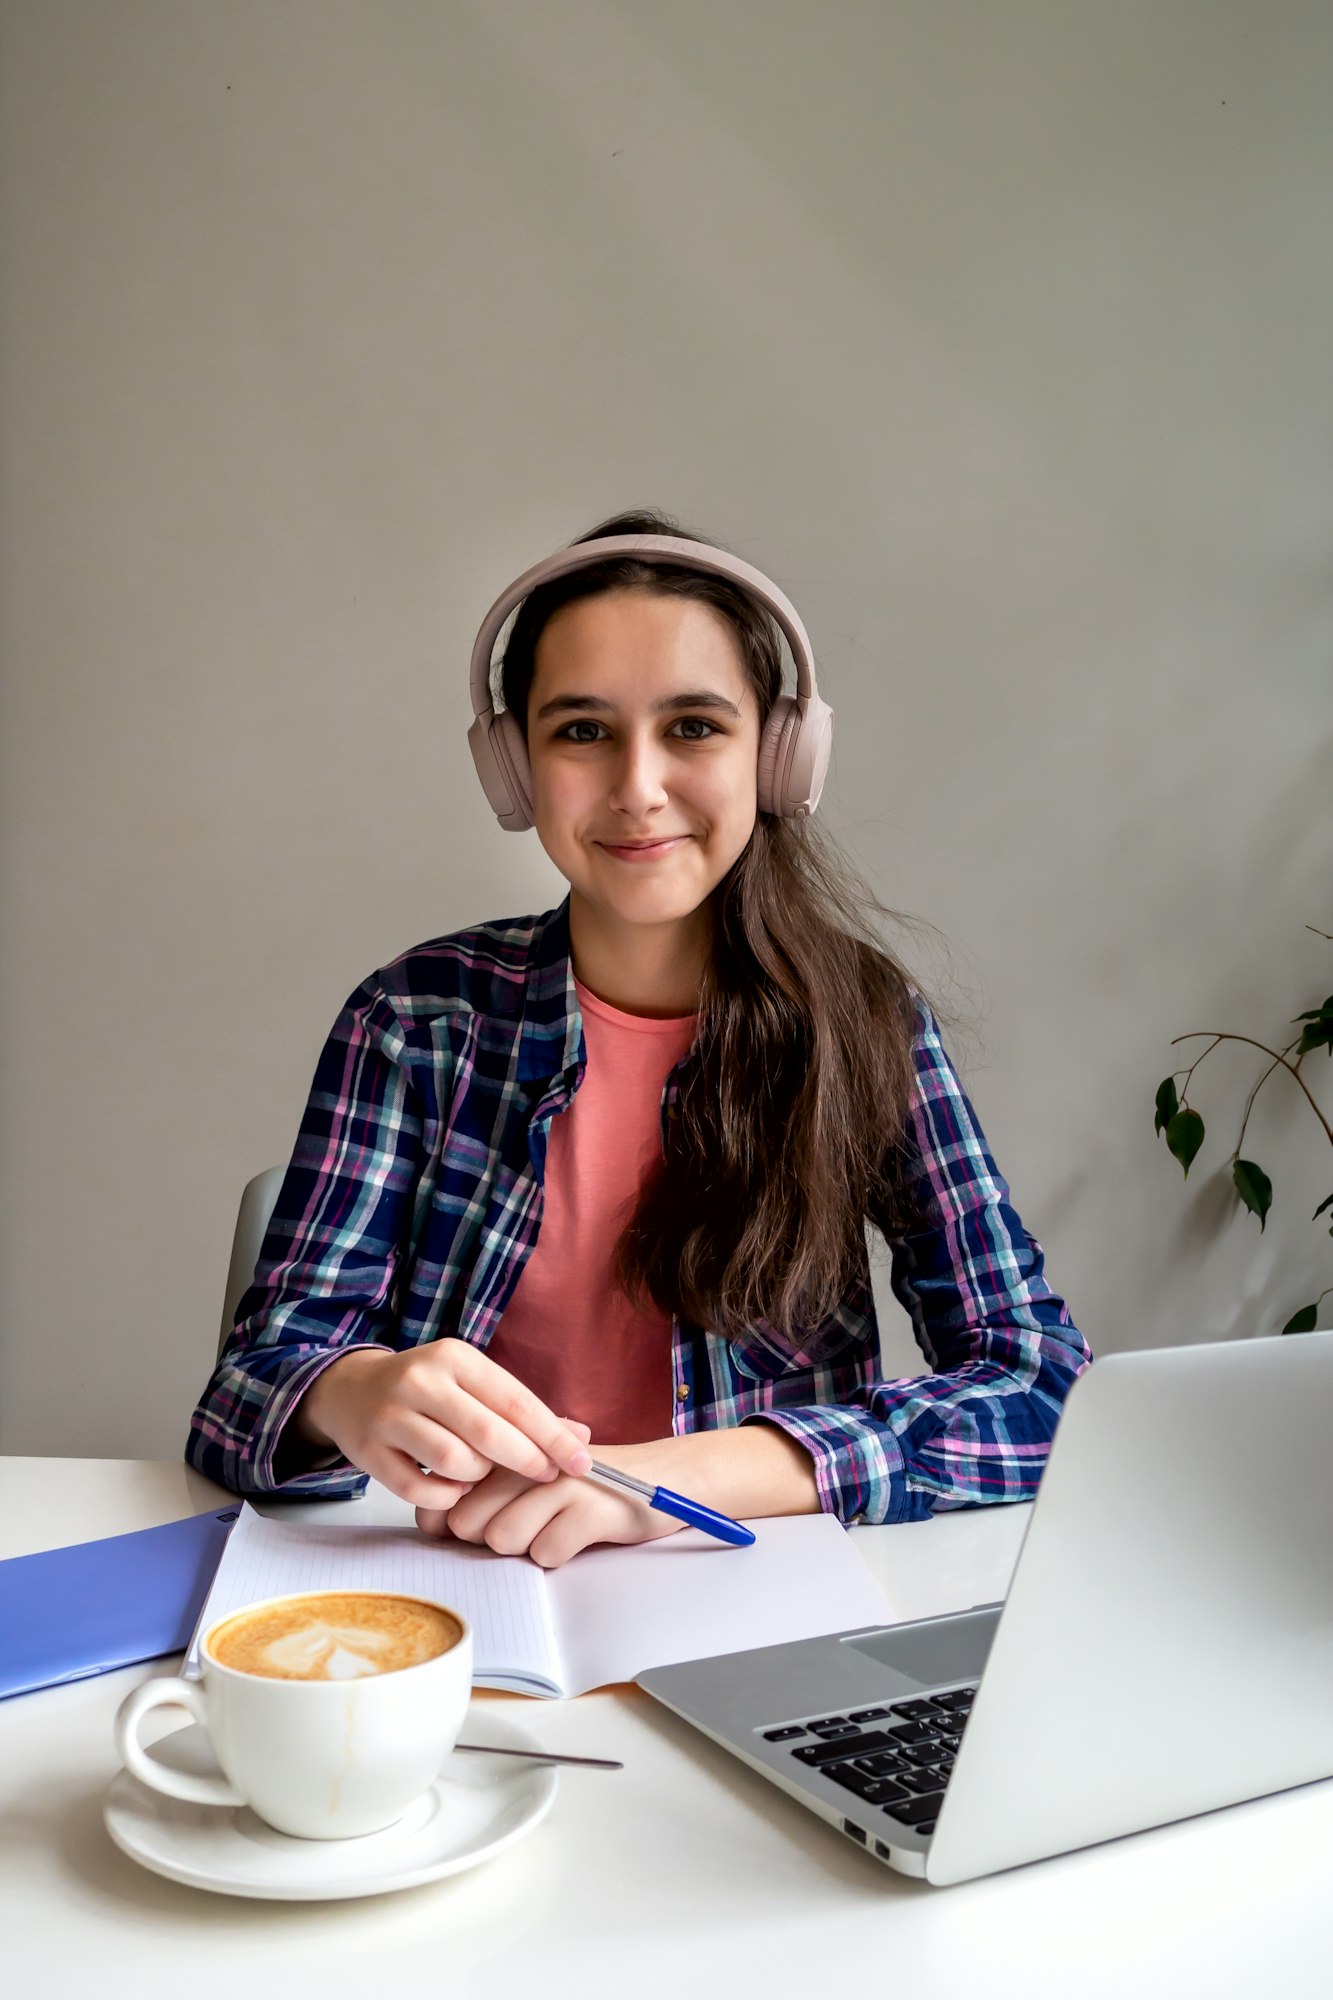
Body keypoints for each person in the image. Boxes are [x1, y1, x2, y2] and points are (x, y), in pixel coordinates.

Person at [186, 508, 1091, 1567]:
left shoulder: (865, 1022)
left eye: (695, 726)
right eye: (580, 730)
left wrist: (679, 1478)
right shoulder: (415, 1021)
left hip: (740, 1583)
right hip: (456, 1582)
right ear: (514, 767)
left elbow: (1040, 1385)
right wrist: (344, 1391)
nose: (637, 787)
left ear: (780, 756)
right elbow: (241, 1397)